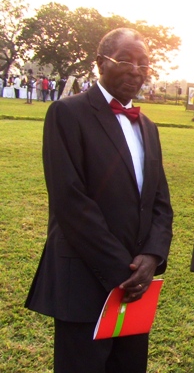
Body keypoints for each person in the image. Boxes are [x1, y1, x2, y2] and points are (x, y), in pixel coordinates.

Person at [25, 28, 174, 373]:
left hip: (136, 284)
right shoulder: (67, 113)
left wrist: (152, 256)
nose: (135, 70)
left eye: (143, 64)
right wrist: (121, 269)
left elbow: (160, 202)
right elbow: (70, 201)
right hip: (84, 277)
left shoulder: (148, 127)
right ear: (100, 63)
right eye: (125, 60)